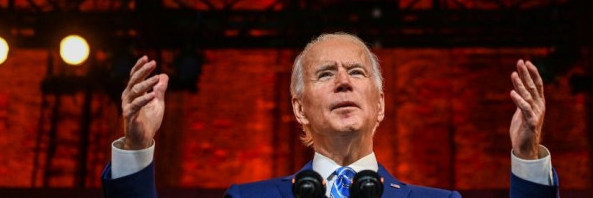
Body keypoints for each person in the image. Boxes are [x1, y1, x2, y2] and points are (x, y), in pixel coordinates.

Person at [101, 32, 559, 198]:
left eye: (357, 72)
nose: (343, 81)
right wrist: (138, 148)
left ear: (380, 104)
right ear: (299, 108)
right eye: (325, 74)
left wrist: (526, 155)